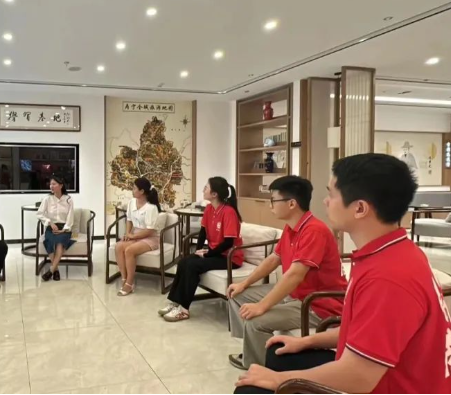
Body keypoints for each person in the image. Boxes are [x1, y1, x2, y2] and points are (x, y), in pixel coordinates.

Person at [235, 154, 451, 394]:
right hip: (376, 372)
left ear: (359, 208)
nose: (325, 202)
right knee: (278, 354)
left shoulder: (386, 278)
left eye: (332, 194)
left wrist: (278, 380)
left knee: (251, 390)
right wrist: (306, 341)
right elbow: (361, 333)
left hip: (387, 385)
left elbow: (359, 377)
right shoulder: (392, 252)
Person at [226, 175, 347, 370]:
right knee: (236, 295)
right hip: (295, 294)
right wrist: (243, 284)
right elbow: (273, 259)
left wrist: (261, 306)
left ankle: (258, 368)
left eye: (273, 200)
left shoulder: (314, 230)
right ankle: (251, 349)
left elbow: (295, 275)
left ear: (291, 203)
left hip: (317, 304)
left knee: (256, 320)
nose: (270, 205)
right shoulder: (291, 229)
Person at [158, 176, 243, 322]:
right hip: (215, 253)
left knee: (192, 266)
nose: (203, 190)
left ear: (214, 194)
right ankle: (175, 302)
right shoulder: (209, 208)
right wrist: (197, 251)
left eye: (206, 188)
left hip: (230, 257)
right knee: (184, 262)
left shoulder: (229, 212)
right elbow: (203, 232)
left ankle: (184, 310)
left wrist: (208, 254)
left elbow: (228, 243)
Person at [114, 177, 162, 296]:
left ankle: (129, 284)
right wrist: (127, 234)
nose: (132, 190)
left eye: (134, 188)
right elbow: (129, 220)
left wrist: (132, 236)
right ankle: (124, 279)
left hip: (150, 238)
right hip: (135, 235)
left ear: (142, 191)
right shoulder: (132, 202)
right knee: (119, 246)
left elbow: (149, 231)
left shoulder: (151, 207)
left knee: (129, 250)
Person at [36, 176, 75, 281]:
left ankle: (51, 271)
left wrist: (65, 229)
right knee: (49, 241)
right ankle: (56, 270)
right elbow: (39, 214)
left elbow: (70, 216)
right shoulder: (47, 199)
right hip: (51, 227)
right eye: (50, 184)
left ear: (61, 185)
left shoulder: (68, 199)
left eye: (54, 184)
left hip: (64, 227)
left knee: (59, 243)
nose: (51, 186)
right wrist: (50, 222)